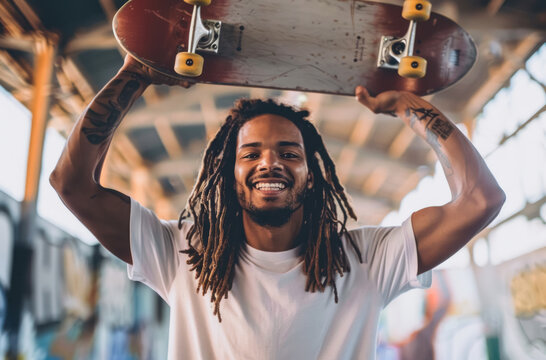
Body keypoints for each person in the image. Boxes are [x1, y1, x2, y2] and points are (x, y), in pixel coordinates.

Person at [50, 55, 505, 359]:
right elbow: (72, 184)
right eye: (251, 153)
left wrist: (408, 105)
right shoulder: (182, 253)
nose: (270, 162)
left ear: (313, 174)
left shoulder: (368, 260)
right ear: (228, 173)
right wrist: (136, 74)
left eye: (289, 153)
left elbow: (480, 199)